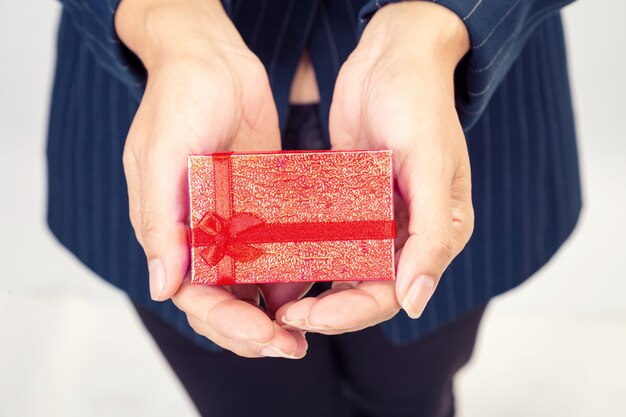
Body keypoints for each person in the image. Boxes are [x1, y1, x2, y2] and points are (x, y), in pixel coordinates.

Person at [46, 0, 581, 415]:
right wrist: (167, 23)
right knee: (247, 402)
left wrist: (432, 25)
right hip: (165, 108)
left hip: (447, 105)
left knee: (415, 394)